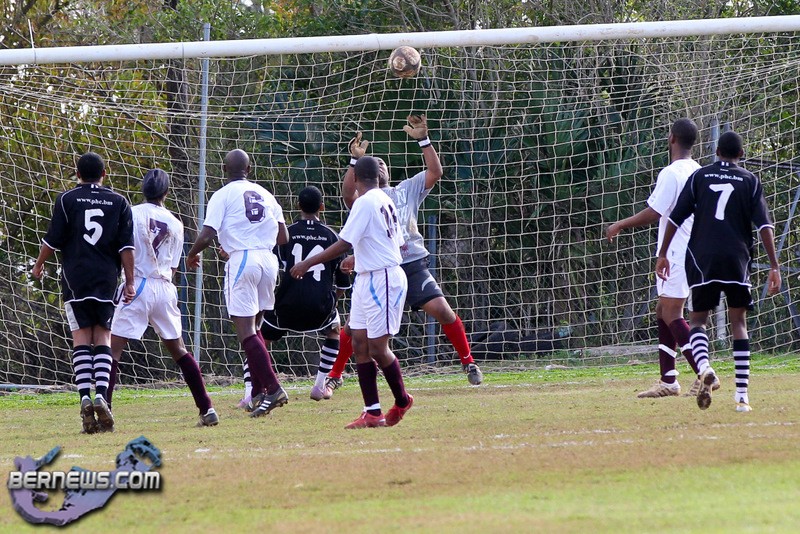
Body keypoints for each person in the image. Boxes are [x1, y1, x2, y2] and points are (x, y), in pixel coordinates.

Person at [324, 115, 482, 397]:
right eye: (374, 163)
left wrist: (424, 140)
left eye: (382, 162)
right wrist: (354, 161)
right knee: (354, 328)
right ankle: (335, 375)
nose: (380, 163)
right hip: (380, 270)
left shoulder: (406, 189)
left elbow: (435, 171)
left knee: (443, 311)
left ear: (386, 172)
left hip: (412, 265)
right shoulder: (366, 198)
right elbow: (348, 194)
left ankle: (468, 362)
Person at [656, 131, 781, 412]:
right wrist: (774, 265)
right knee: (739, 323)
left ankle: (704, 368)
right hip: (737, 257)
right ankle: (742, 396)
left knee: (698, 320)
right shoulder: (749, 180)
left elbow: (675, 218)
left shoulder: (700, 176)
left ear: (716, 152)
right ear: (741, 154)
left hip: (703, 257)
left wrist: (663, 254)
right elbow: (765, 226)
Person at [290, 156, 412, 429]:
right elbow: (391, 242)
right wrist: (360, 258)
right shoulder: (383, 199)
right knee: (358, 342)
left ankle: (402, 400)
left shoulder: (366, 202)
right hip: (367, 277)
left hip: (383, 278)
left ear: (356, 178)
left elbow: (344, 243)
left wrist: (308, 263)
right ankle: (372, 412)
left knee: (378, 348)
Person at [606, 118, 712, 398]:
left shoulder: (672, 173)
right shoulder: (699, 171)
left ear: (672, 138)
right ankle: (669, 380)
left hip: (676, 251)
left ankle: (704, 372)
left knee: (672, 313)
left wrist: (620, 224)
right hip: (697, 250)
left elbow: (655, 212)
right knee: (663, 311)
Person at [32, 152, 135, 434]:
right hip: (106, 279)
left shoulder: (67, 199)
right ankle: (101, 394)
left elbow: (52, 240)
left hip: (75, 278)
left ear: (77, 174)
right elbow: (126, 247)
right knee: (103, 336)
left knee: (80, 338)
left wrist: (38, 265)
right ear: (104, 174)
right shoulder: (119, 202)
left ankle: (84, 399)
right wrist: (130, 282)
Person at [108, 169, 218, 428]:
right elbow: (175, 267)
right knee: (179, 350)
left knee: (113, 350)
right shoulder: (176, 224)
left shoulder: (130, 213)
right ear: (166, 193)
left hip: (137, 284)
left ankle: (106, 409)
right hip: (165, 287)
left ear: (143, 189)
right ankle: (207, 408)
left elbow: (122, 249)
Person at [186, 149, 290, 418]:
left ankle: (273, 388)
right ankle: (257, 394)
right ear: (250, 169)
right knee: (256, 329)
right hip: (268, 261)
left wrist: (192, 253)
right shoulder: (266, 194)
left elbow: (207, 234)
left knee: (246, 332)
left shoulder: (222, 195)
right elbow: (283, 237)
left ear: (224, 169)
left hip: (243, 260)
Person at [237, 185, 351, 407]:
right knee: (334, 329)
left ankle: (249, 393)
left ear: (298, 206)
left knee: (258, 340)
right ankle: (320, 385)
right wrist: (331, 302)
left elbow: (271, 268)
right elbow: (342, 284)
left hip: (285, 307)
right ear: (322, 207)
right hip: (319, 309)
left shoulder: (285, 236)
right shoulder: (333, 237)